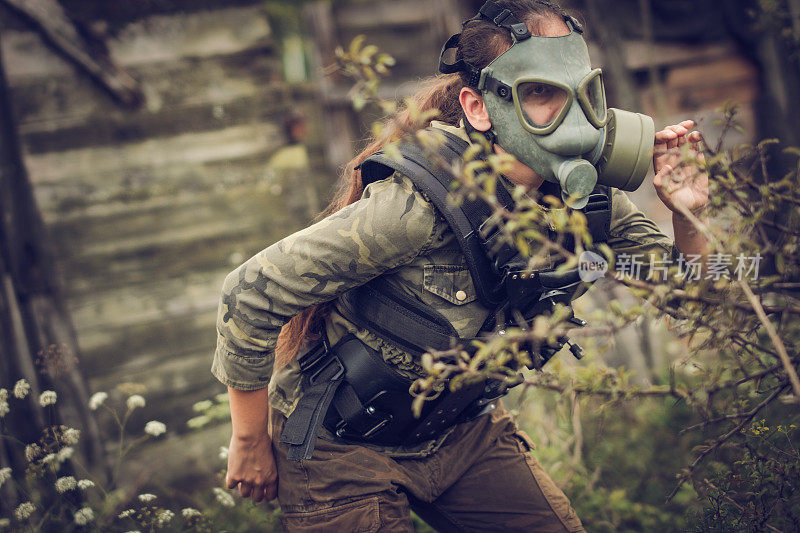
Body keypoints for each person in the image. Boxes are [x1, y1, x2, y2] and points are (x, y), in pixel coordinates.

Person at [211, 1, 709, 531]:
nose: (576, 117)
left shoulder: (592, 197)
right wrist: (249, 440)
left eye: (585, 92)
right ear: (478, 107)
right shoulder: (421, 204)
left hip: (461, 432)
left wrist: (688, 214)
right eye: (540, 93)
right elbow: (250, 291)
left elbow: (691, 295)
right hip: (343, 448)